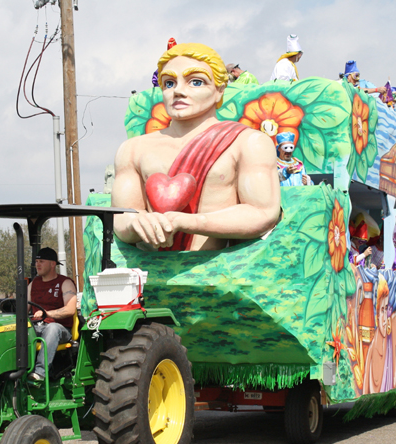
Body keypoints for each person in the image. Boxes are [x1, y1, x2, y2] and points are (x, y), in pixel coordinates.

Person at [112, 43, 281, 252]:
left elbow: (263, 212)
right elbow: (120, 217)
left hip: (220, 275)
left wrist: (186, 222)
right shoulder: (133, 149)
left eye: (196, 82)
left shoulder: (247, 143)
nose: (179, 91)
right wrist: (135, 223)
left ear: (219, 90)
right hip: (152, 274)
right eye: (170, 83)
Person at [28, 247, 77, 381]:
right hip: (36, 327)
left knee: (52, 328)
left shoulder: (65, 283)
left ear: (52, 264)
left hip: (60, 329)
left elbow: (70, 309)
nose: (37, 264)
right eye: (36, 261)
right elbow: (24, 307)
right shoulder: (33, 284)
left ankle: (40, 373)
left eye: (41, 261)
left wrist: (46, 314)